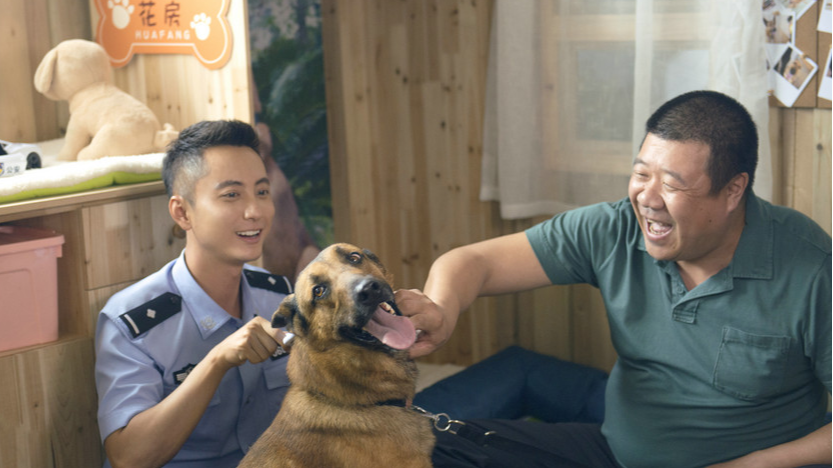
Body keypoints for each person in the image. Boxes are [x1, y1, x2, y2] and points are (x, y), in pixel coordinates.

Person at [399, 91, 832, 468]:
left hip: (753, 463)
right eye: (641, 174)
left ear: (734, 190)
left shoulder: (810, 268)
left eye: (673, 185)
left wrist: (754, 465)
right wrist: (440, 307)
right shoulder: (615, 229)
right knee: (431, 450)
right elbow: (476, 261)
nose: (647, 198)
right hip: (616, 453)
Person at [94, 120, 294, 468]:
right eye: (231, 194)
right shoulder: (131, 322)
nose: (255, 211)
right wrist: (216, 361)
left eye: (261, 192)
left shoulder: (278, 295)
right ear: (182, 212)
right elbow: (128, 457)